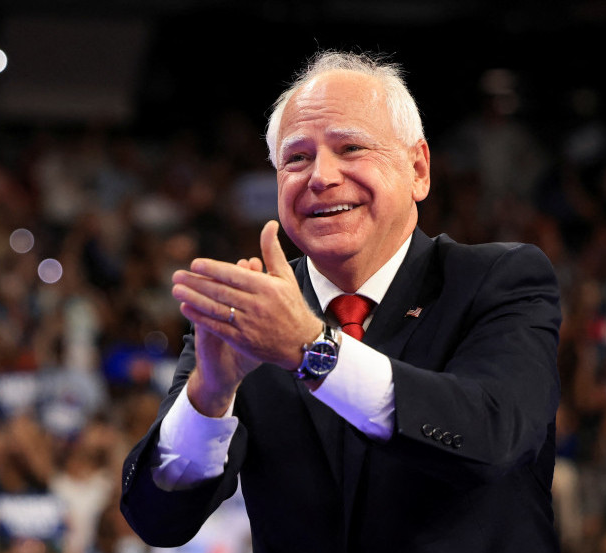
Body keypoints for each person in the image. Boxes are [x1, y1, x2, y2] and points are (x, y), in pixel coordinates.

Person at [120, 50, 562, 552]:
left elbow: (492, 439)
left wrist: (312, 348)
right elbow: (159, 520)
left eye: (351, 148)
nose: (321, 176)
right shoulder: (251, 311)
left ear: (418, 168)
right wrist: (210, 397)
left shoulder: (499, 279)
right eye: (297, 157)